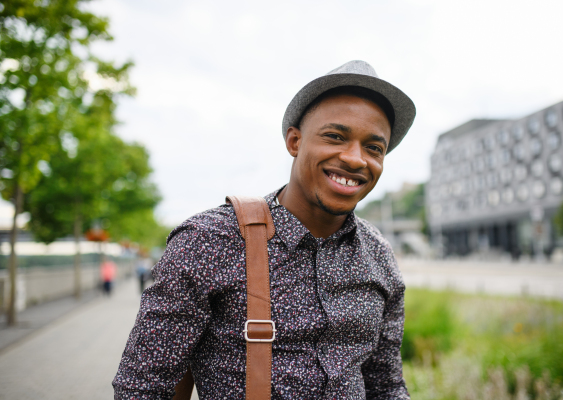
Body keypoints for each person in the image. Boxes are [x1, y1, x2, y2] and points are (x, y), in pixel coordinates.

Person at [113, 60, 416, 399]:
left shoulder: (378, 254)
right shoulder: (208, 240)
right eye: (335, 136)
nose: (356, 159)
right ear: (294, 141)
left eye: (374, 148)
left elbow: (386, 386)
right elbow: (142, 387)